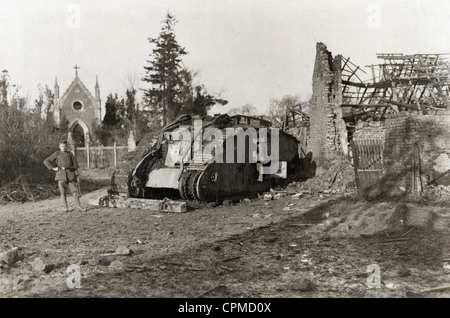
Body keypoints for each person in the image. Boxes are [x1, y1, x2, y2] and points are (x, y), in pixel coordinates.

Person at [44, 140, 86, 212]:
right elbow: (46, 161)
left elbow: (75, 165)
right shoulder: (57, 153)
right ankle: (65, 207)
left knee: (74, 191)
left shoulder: (70, 154)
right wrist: (53, 168)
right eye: (62, 146)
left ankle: (78, 206)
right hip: (61, 175)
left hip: (70, 175)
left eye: (65, 146)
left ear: (66, 147)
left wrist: (73, 171)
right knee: (62, 192)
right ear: (59, 147)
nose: (63, 148)